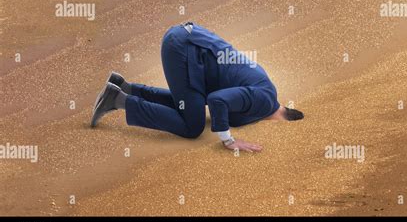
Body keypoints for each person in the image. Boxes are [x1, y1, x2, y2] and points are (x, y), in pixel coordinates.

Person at [91, 22, 303, 152]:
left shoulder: (266, 94)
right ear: (283, 121)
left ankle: (126, 87)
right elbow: (217, 100)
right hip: (185, 48)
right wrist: (228, 140)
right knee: (192, 126)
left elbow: (225, 105)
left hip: (189, 42)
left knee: (191, 106)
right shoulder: (263, 101)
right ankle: (118, 100)